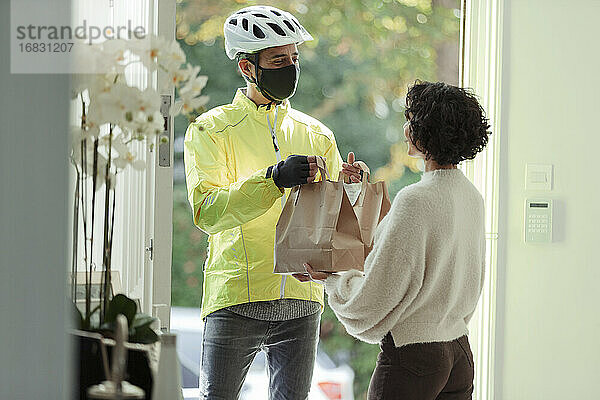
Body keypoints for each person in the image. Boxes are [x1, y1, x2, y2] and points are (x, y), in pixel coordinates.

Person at [183, 5, 362, 399]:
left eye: (294, 58)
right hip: (237, 298)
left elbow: (338, 227)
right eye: (278, 60)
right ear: (247, 68)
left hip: (303, 300)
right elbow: (207, 212)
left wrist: (351, 189)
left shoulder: (318, 135)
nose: (290, 67)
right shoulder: (210, 130)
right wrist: (273, 180)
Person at [296, 81, 491, 399]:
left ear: (425, 131)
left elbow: (371, 301)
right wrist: (367, 189)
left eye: (411, 119)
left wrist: (332, 278)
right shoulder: (470, 196)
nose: (405, 128)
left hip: (414, 357)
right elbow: (405, 245)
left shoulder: (417, 199)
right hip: (458, 353)